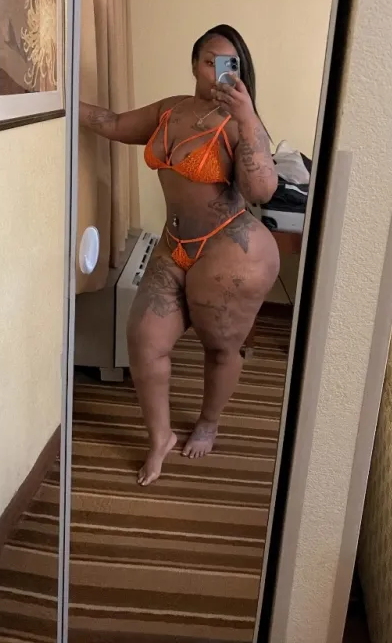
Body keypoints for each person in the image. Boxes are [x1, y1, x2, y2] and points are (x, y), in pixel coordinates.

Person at [80, 24, 280, 486]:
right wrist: (61, 102)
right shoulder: (169, 111)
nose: (218, 73)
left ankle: (208, 422)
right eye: (210, 61)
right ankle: (160, 438)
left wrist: (248, 117)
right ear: (194, 64)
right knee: (144, 340)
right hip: (175, 245)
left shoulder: (240, 123)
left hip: (229, 249)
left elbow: (261, 191)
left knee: (219, 345)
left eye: (229, 64)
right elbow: (112, 123)